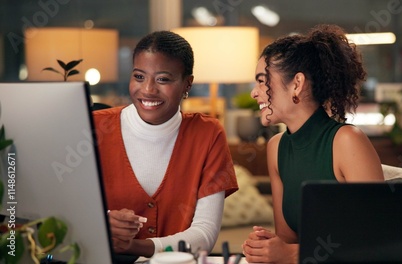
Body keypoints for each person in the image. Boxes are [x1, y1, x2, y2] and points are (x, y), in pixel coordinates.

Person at [242, 24, 384, 263]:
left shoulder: (347, 141)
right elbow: (287, 239)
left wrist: (289, 254)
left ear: (296, 84)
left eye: (261, 81)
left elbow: (378, 239)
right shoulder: (276, 147)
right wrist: (269, 248)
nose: (254, 93)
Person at [93, 30, 238, 258]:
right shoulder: (94, 127)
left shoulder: (208, 134)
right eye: (139, 76)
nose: (148, 89)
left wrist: (135, 247)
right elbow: (60, 212)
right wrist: (98, 222)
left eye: (163, 79)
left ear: (187, 84)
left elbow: (204, 234)